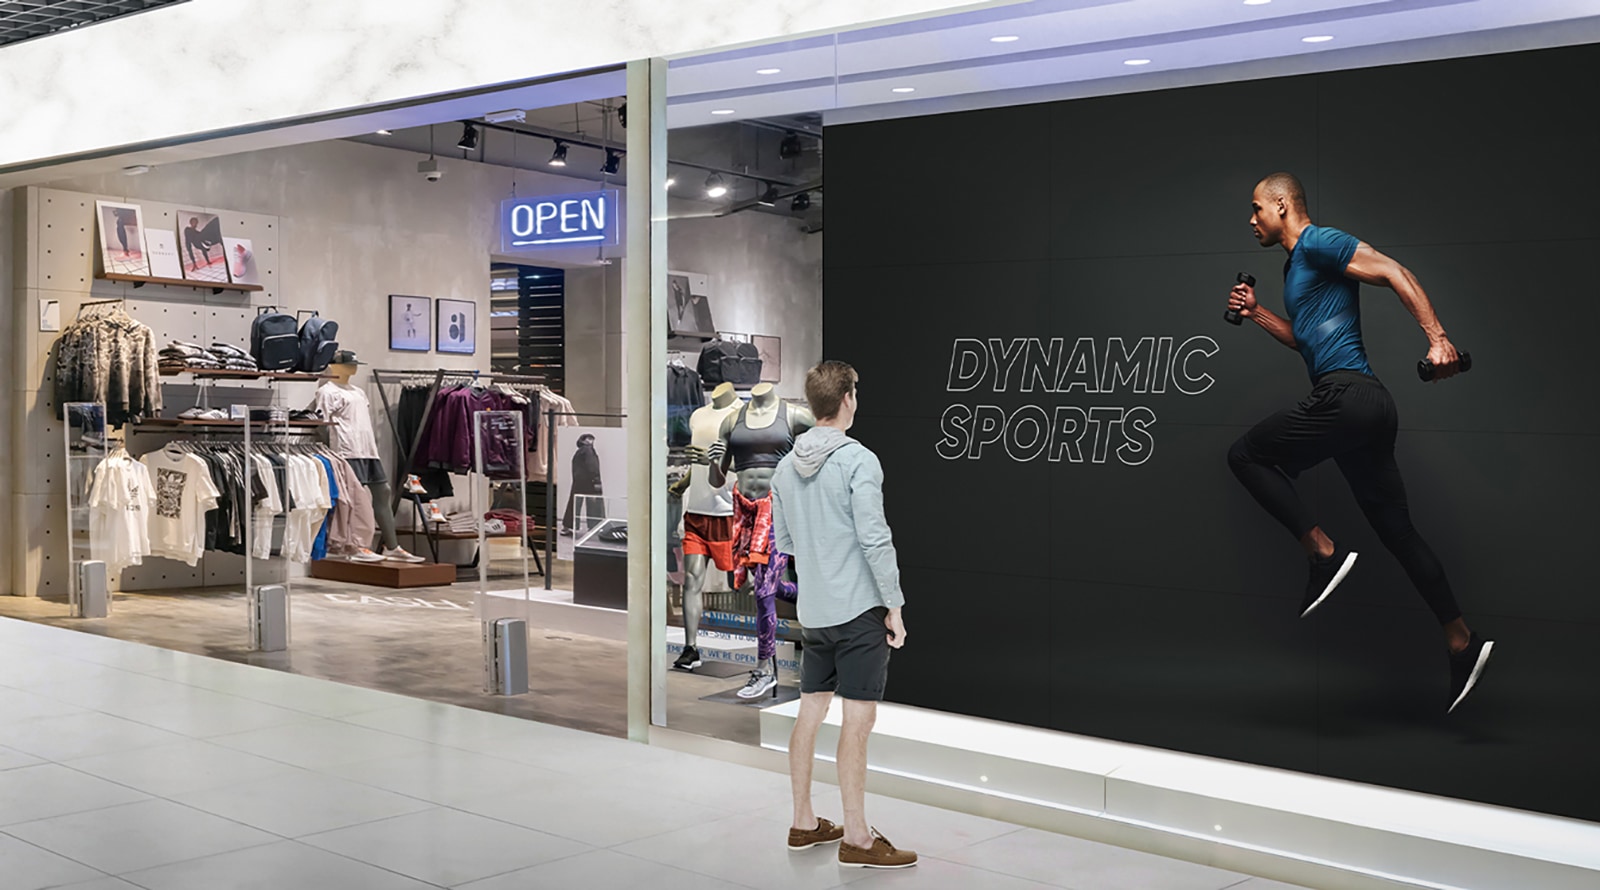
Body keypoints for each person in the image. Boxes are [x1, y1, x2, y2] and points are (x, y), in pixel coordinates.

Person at [1225, 172, 1494, 713]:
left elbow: (1393, 270)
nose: (1251, 220)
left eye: (1257, 209)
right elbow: (1307, 341)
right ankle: (1461, 639)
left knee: (1245, 454)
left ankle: (1321, 551)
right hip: (1365, 407)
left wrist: (1438, 339)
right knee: (1398, 532)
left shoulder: (1319, 242)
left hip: (1347, 398)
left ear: (1282, 205)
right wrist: (1256, 313)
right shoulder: (1296, 268)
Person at [770, 360, 917, 869]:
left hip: (815, 611)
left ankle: (803, 821)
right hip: (858, 610)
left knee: (810, 711)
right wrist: (894, 607)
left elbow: (785, 543)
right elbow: (875, 538)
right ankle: (856, 835)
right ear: (848, 399)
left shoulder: (785, 467)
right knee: (858, 722)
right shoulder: (859, 460)